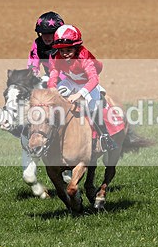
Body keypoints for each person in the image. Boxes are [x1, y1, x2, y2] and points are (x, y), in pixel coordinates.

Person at [47, 24, 115, 152]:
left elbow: (94, 79)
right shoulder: (57, 57)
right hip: (70, 82)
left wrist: (79, 94)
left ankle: (105, 137)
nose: (65, 54)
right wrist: (52, 88)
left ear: (76, 47)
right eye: (62, 51)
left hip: (88, 84)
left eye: (68, 50)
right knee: (54, 96)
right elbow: (53, 74)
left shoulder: (84, 56)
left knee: (93, 106)